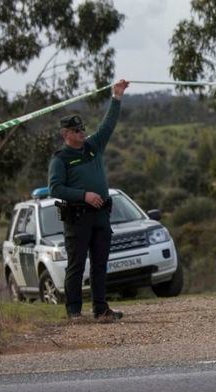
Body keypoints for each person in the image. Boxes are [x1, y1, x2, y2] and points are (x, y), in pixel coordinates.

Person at [48, 79, 130, 322]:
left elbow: (107, 125)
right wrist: (84, 195)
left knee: (100, 265)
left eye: (82, 129)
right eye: (76, 131)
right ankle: (74, 312)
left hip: (101, 215)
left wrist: (116, 97)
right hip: (78, 217)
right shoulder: (60, 159)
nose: (82, 133)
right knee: (76, 266)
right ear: (66, 134)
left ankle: (101, 310)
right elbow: (55, 188)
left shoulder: (92, 146)